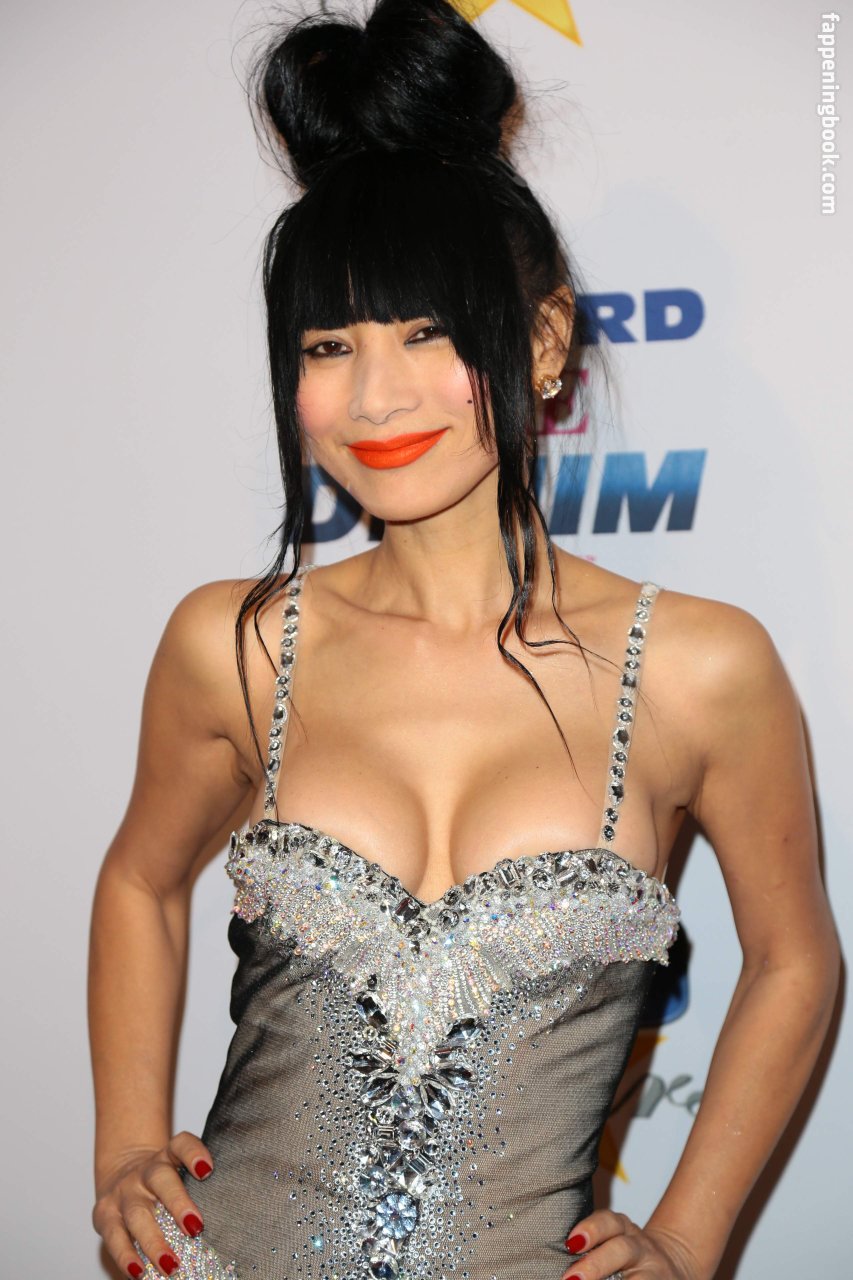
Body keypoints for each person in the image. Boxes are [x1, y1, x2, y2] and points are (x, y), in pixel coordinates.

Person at [87, 2, 840, 1278]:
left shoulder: (699, 666)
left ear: (542, 340)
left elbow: (793, 955)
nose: (374, 395)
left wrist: (688, 1233)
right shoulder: (237, 643)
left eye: (426, 331)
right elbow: (140, 881)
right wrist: (121, 1147)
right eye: (330, 344)